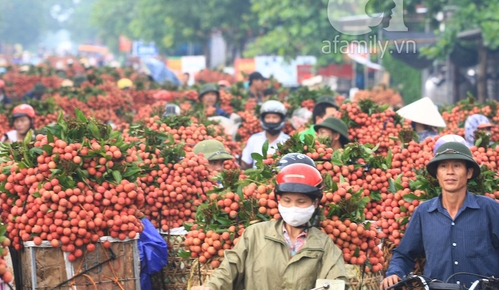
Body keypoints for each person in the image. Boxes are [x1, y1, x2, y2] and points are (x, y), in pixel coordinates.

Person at [191, 163, 347, 290]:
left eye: (301, 202)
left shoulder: (323, 244)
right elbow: (230, 268)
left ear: (315, 203)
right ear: (278, 201)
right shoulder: (254, 234)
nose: (293, 207)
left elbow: (337, 281)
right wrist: (211, 287)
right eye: (287, 200)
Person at [380, 141, 499, 289]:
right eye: (443, 166)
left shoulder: (489, 209)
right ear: (437, 174)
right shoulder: (424, 212)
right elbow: (404, 254)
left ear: (468, 173)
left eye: (457, 165)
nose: (450, 172)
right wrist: (394, 272)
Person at [241, 100, 289, 169]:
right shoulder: (254, 139)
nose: (271, 120)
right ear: (263, 119)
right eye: (268, 117)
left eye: (275, 117)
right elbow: (246, 164)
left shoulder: (288, 141)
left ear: (282, 119)